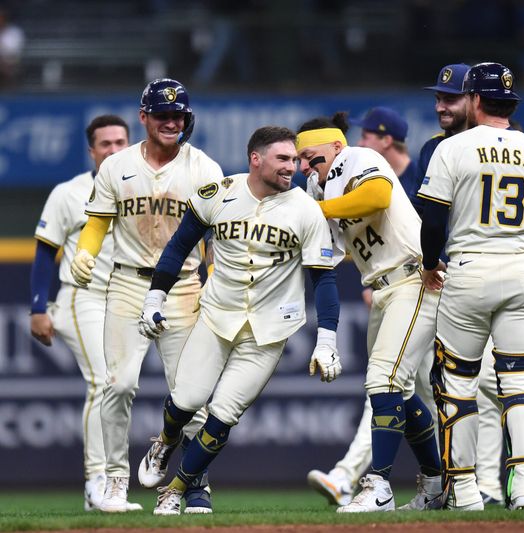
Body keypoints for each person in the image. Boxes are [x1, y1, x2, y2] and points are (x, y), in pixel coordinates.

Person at [137, 126, 341, 515]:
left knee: (223, 414)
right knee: (188, 400)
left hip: (269, 331)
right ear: (256, 158)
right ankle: (165, 440)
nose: (292, 167)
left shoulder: (305, 210)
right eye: (282, 159)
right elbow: (179, 246)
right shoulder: (219, 192)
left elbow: (324, 278)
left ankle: (177, 490)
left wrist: (327, 340)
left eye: (294, 160)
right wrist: (154, 297)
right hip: (216, 317)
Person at [417, 62, 524, 511]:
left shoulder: (455, 148)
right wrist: (520, 247)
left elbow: (432, 219)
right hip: (523, 270)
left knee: (458, 384)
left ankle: (465, 490)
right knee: (521, 381)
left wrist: (429, 262)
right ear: (511, 103)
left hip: (469, 267)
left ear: (476, 101)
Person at [69, 78, 224, 513]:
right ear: (144, 117)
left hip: (184, 285)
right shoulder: (116, 166)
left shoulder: (204, 168)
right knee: (117, 385)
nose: (171, 122)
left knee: (190, 394)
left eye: (178, 115)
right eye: (162, 115)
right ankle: (116, 482)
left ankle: (192, 485)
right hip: (128, 283)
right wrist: (85, 252)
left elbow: (216, 233)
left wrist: (214, 280)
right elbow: (98, 222)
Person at [297, 111, 442, 512]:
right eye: (302, 160)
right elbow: (328, 248)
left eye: (313, 156)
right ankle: (435, 485)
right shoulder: (316, 186)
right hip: (381, 287)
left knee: (384, 381)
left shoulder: (358, 158)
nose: (308, 165)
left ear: (336, 146)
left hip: (414, 278)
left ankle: (378, 485)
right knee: (403, 391)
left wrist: (317, 212)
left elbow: (377, 197)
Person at [30, 115, 130, 511]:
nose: (112, 149)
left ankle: (112, 485)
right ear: (92, 151)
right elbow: (43, 251)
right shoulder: (69, 192)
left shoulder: (141, 191)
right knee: (103, 383)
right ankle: (96, 483)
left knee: (120, 388)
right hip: (80, 296)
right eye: (104, 144)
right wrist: (38, 307)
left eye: (119, 141)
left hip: (123, 300)